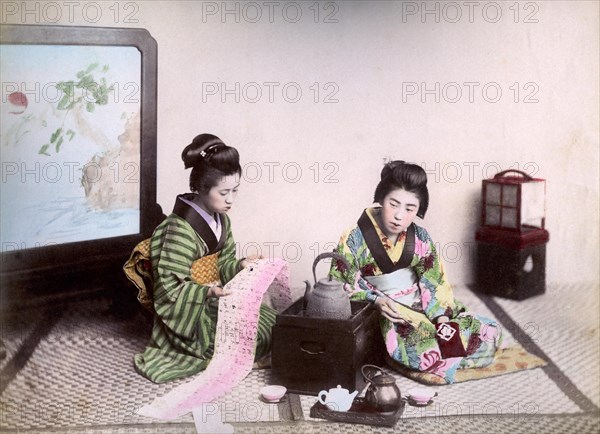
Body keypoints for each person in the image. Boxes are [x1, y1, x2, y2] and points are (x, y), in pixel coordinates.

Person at [329, 160, 502, 384]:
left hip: (422, 305)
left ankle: (416, 357)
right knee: (419, 344)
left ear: (418, 210)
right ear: (381, 198)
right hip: (387, 312)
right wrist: (375, 300)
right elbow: (340, 285)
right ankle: (399, 356)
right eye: (394, 204)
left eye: (410, 209)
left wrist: (441, 320)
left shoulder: (420, 237)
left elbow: (434, 281)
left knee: (488, 331)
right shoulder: (353, 237)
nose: (399, 215)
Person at [134, 134, 275, 383]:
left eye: (235, 190)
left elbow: (224, 264)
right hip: (192, 314)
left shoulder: (223, 220)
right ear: (200, 188)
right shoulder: (177, 230)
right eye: (224, 192)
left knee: (272, 324)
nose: (231, 199)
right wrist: (206, 293)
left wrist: (240, 265)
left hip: (214, 301)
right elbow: (170, 287)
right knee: (244, 339)